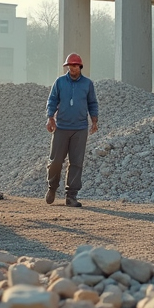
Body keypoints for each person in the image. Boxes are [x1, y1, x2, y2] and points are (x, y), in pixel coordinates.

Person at [45, 53, 98, 207]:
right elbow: (52, 100)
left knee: (76, 163)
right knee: (55, 161)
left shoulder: (87, 84)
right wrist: (50, 117)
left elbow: (92, 103)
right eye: (69, 65)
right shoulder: (60, 82)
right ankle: (52, 187)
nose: (72, 68)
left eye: (75, 65)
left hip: (80, 129)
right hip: (61, 127)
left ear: (80, 67)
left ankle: (71, 196)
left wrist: (94, 121)